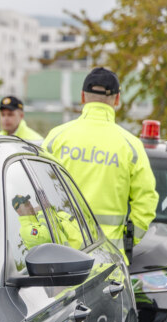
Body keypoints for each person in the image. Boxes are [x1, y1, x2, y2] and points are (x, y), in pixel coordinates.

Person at [43, 67, 158, 261]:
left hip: (57, 255)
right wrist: (128, 239)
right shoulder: (131, 146)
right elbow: (146, 200)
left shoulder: (57, 138)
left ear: (82, 96)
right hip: (108, 257)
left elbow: (36, 187)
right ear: (117, 99)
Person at [12, 194, 83, 250]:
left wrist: (47, 210)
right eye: (26, 205)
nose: (30, 206)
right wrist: (42, 211)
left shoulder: (48, 217)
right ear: (19, 211)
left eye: (29, 203)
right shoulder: (25, 230)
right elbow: (48, 236)